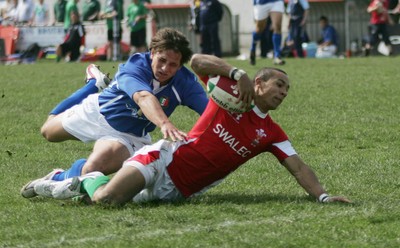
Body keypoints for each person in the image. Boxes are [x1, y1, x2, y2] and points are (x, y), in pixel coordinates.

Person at [23, 53, 351, 207]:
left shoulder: (272, 133)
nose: (283, 91)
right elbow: (196, 61)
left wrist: (322, 195)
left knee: (103, 202)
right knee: (107, 198)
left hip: (178, 191)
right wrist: (236, 72)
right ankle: (76, 179)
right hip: (161, 160)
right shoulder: (230, 91)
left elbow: (298, 167)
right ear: (260, 82)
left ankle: (69, 178)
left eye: (287, 89)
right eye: (279, 84)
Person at [22, 29, 252, 199]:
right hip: (97, 111)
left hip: (128, 135)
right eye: (161, 60)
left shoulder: (185, 82)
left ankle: (57, 177)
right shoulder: (135, 65)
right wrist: (164, 123)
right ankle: (93, 84)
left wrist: (240, 114)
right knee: (47, 132)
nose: (165, 68)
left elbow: (209, 113)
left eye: (173, 65)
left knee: (93, 169)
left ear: (180, 65)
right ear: (152, 53)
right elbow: (143, 97)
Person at [250, 0, 285, 66]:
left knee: (277, 26)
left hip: (276, 2)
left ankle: (277, 56)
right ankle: (253, 48)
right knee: (259, 29)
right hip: (261, 3)